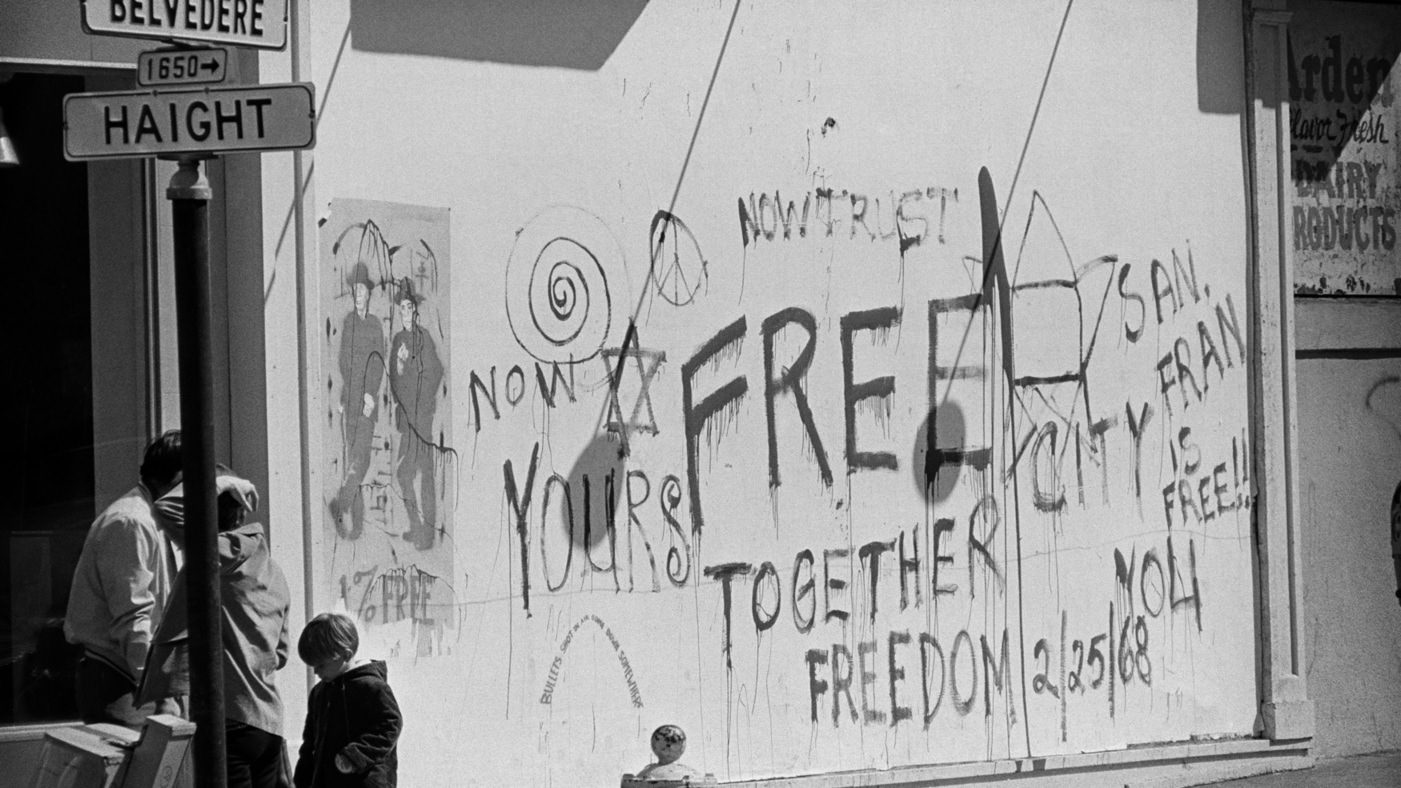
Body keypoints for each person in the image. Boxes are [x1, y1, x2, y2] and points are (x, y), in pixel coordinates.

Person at [141, 474, 292, 788]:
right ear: (241, 516)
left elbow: (166, 506)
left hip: (230, 718)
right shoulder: (273, 571)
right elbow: (280, 654)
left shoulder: (216, 555)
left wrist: (218, 481)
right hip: (268, 720)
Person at [64, 429, 186, 725]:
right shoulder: (131, 523)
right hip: (121, 677)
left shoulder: (158, 519)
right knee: (133, 769)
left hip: (142, 675)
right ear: (173, 479)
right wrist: (159, 694)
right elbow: (134, 618)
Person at [294, 613, 402, 788]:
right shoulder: (319, 693)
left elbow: (390, 725)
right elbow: (311, 740)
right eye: (313, 666)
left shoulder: (371, 687)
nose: (316, 672)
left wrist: (355, 756)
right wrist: (304, 774)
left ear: (346, 654)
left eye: (321, 665)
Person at [330, 261, 386, 540]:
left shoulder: (375, 325)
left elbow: (378, 363)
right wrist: (349, 393)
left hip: (366, 401)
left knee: (360, 461)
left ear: (369, 292)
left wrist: (370, 394)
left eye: (361, 289)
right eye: (355, 289)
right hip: (350, 400)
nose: (357, 293)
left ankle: (341, 503)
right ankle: (356, 524)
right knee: (354, 458)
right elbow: (344, 361)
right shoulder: (349, 322)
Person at [388, 278, 443, 550]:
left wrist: (423, 400)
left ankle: (427, 534)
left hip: (422, 419)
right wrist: (399, 364)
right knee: (405, 475)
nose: (405, 313)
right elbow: (394, 380)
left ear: (415, 311)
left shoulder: (423, 338)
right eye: (402, 309)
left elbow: (436, 371)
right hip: (407, 421)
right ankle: (417, 527)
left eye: (408, 308)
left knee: (424, 474)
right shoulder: (398, 340)